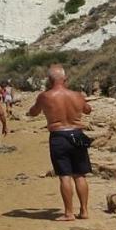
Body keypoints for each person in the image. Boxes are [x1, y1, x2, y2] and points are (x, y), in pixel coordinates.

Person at [27, 63, 93, 221]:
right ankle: (84, 211)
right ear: (66, 78)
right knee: (80, 175)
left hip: (59, 136)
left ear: (49, 80)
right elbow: (88, 110)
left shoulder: (45, 96)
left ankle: (69, 213)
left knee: (64, 175)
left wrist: (30, 111)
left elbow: (34, 112)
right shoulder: (76, 95)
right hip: (77, 134)